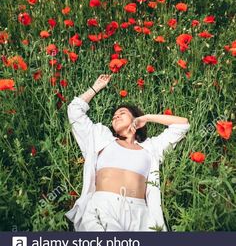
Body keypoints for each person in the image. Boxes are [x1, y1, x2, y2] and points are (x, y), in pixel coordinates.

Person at [65, 74, 190, 231]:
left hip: (140, 215)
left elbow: (182, 125)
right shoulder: (101, 138)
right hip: (103, 209)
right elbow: (74, 111)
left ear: (135, 119)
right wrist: (96, 88)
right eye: (114, 116)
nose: (116, 116)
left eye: (122, 113)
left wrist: (148, 117)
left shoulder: (151, 148)